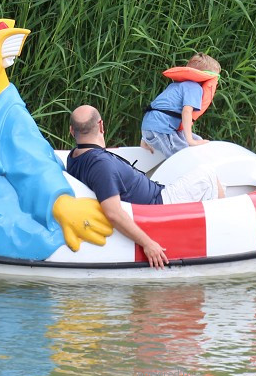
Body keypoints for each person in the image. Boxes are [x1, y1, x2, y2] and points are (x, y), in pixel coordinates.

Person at [67, 105, 224, 268]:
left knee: (211, 183)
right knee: (208, 175)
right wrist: (148, 244)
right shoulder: (100, 165)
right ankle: (221, 240)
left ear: (72, 131)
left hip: (155, 194)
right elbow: (113, 212)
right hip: (159, 204)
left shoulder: (75, 156)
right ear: (101, 125)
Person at [140, 53, 221, 158]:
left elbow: (158, 110)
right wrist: (190, 141)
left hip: (152, 128)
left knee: (199, 140)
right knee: (185, 157)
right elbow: (186, 112)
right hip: (162, 131)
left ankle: (147, 140)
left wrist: (145, 137)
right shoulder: (195, 88)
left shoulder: (176, 85)